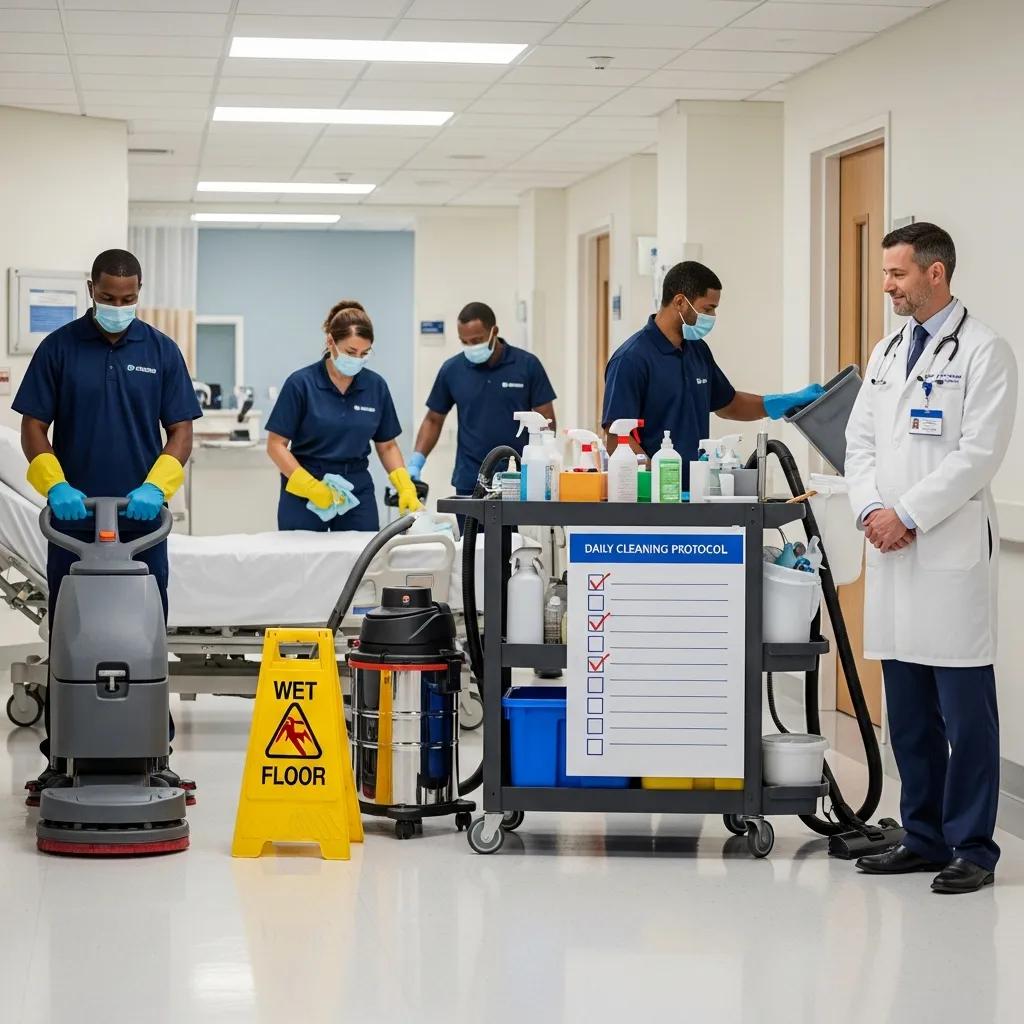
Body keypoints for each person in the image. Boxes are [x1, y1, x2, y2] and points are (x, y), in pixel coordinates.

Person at [845, 223, 1017, 894]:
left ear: (935, 273)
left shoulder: (984, 351)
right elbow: (859, 441)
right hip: (893, 553)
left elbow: (979, 454)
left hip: (944, 551)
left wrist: (906, 514)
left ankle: (972, 847)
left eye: (897, 274)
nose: (887, 285)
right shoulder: (889, 351)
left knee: (966, 715)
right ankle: (922, 836)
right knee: (909, 713)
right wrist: (868, 510)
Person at [13, 248, 202, 793]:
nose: (119, 307)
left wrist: (156, 487)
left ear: (139, 292)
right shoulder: (60, 348)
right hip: (73, 526)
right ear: (90, 288)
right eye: (108, 297)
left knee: (148, 636)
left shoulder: (162, 351)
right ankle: (61, 753)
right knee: (68, 637)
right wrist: (55, 485)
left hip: (142, 524)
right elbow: (33, 426)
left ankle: (154, 748)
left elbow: (181, 431)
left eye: (129, 299)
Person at [602, 261, 824, 480]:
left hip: (697, 495)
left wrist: (782, 402)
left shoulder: (697, 350)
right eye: (708, 309)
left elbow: (728, 404)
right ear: (680, 302)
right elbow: (615, 438)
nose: (712, 317)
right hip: (656, 500)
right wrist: (658, 483)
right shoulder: (632, 358)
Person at [266, 300, 420, 531]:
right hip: (306, 487)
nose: (357, 359)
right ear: (331, 342)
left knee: (361, 561)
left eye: (364, 353)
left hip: (355, 489)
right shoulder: (301, 384)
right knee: (302, 561)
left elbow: (387, 445)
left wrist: (405, 485)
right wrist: (310, 487)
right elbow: (276, 445)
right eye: (351, 352)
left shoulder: (375, 386)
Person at [408, 302, 557, 496]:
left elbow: (546, 419)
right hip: (470, 479)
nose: (471, 347)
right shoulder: (452, 370)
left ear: (494, 331)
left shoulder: (527, 366)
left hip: (518, 478)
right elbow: (433, 419)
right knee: (469, 528)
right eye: (465, 342)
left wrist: (544, 463)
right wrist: (416, 463)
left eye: (477, 340)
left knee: (516, 528)